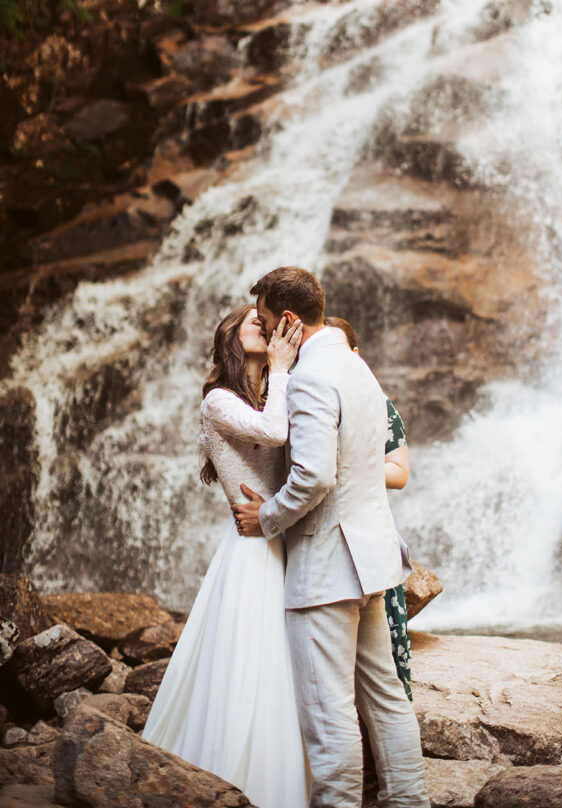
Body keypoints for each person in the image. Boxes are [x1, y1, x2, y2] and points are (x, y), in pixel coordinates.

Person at [234, 267, 429, 808]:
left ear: (289, 321)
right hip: (373, 560)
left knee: (329, 712)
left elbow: (315, 475)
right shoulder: (357, 367)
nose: (269, 332)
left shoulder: (311, 376)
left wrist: (266, 517)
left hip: (327, 566)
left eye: (270, 322)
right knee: (387, 699)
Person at [141, 306, 309, 808]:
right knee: (254, 663)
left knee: (287, 663)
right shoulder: (218, 399)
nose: (265, 324)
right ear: (229, 340)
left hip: (283, 535)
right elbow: (275, 434)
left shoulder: (272, 390)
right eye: (252, 322)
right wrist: (281, 369)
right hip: (253, 551)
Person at [324, 315, 413, 701]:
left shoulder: (378, 403)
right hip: (317, 537)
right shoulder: (302, 395)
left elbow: (399, 472)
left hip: (365, 534)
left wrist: (342, 464)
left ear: (356, 354)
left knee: (383, 656)